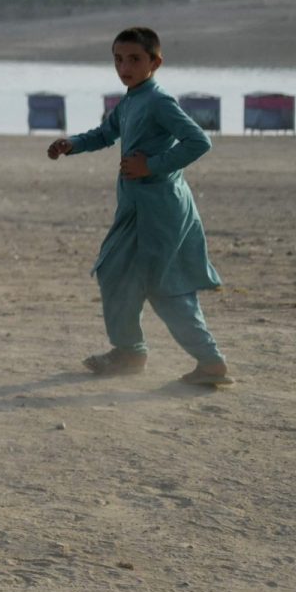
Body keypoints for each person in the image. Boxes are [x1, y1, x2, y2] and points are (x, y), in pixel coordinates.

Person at [47, 27, 231, 386]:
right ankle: (130, 352)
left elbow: (199, 141)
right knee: (114, 271)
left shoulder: (159, 101)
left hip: (162, 210)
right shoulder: (130, 100)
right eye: (118, 59)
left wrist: (153, 165)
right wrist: (71, 144)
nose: (124, 66)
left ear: (155, 62)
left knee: (164, 285)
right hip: (134, 209)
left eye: (134, 59)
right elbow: (105, 133)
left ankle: (211, 363)